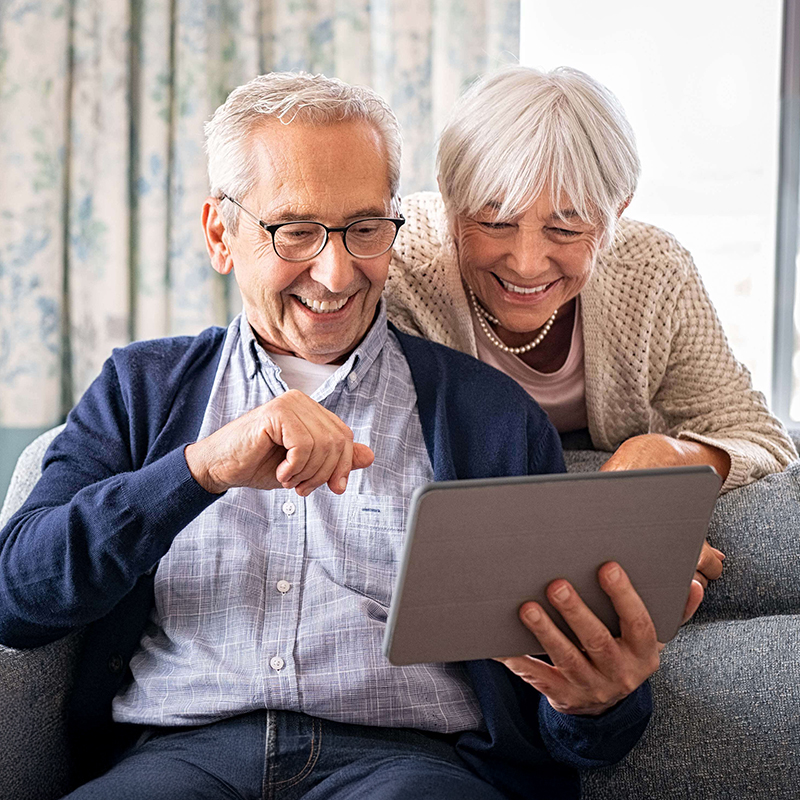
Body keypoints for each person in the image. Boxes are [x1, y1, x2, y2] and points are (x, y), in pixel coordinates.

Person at [0, 73, 671, 800]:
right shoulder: (142, 388)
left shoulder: (492, 418)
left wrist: (599, 701)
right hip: (177, 759)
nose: (335, 271)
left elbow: (569, 726)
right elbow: (17, 596)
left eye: (364, 229)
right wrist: (201, 469)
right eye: (295, 230)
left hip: (411, 769)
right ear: (222, 235)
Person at [385, 65, 797, 593]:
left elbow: (764, 440)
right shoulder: (402, 262)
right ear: (448, 198)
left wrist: (673, 458)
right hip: (481, 522)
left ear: (614, 215)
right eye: (495, 223)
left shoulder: (652, 269)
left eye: (565, 228)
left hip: (624, 494)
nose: (528, 263)